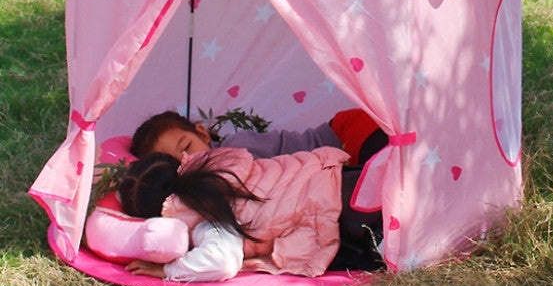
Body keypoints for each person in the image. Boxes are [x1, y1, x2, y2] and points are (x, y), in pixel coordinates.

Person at [119, 145, 384, 281]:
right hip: (344, 177)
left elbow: (221, 261)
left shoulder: (203, 215)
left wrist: (168, 270)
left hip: (345, 219)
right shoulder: (214, 163)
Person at [130, 108, 388, 167]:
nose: (187, 159)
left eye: (187, 147)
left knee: (388, 178)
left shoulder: (236, 149)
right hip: (342, 154)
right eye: (175, 162)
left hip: (347, 133)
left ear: (202, 133)